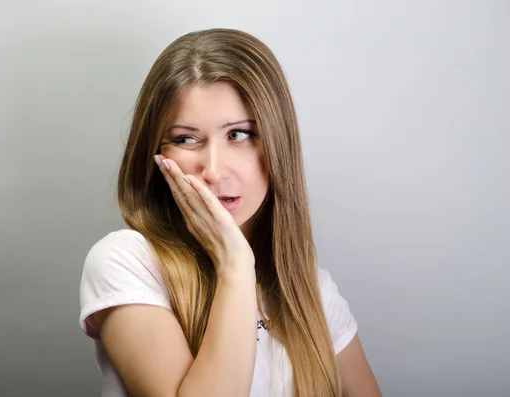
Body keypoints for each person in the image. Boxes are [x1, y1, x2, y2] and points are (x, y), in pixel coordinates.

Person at [79, 28, 381, 397]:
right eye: (185, 139)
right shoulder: (127, 261)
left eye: (239, 134)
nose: (215, 171)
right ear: (157, 155)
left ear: (277, 144)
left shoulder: (312, 290)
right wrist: (235, 265)